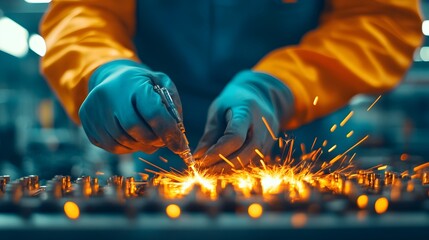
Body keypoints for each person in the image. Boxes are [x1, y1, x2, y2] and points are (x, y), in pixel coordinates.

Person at [40, 0, 422, 172]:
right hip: (159, 147)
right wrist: (103, 69)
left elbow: (380, 18)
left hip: (299, 141)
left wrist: (279, 88)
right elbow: (83, 11)